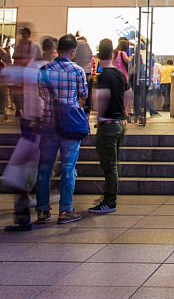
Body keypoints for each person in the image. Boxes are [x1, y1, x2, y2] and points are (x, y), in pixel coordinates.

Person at [35, 33, 89, 225]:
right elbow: (83, 94)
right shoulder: (77, 71)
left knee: (44, 168)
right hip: (70, 126)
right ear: (73, 52)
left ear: (58, 50)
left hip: (49, 124)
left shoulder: (44, 70)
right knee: (68, 167)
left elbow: (42, 94)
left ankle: (42, 211)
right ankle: (65, 210)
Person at [4, 37, 55, 231]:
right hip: (39, 126)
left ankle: (26, 214)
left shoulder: (32, 69)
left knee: (21, 171)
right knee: (31, 170)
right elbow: (41, 100)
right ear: (52, 51)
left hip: (31, 126)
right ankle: (35, 209)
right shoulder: (45, 70)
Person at [88, 38, 130, 214]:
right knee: (113, 164)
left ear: (98, 55)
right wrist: (125, 112)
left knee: (109, 165)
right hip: (120, 124)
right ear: (112, 54)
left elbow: (101, 99)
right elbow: (129, 94)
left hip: (109, 125)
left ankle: (109, 200)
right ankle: (108, 195)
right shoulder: (120, 74)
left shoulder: (102, 76)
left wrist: (100, 116)